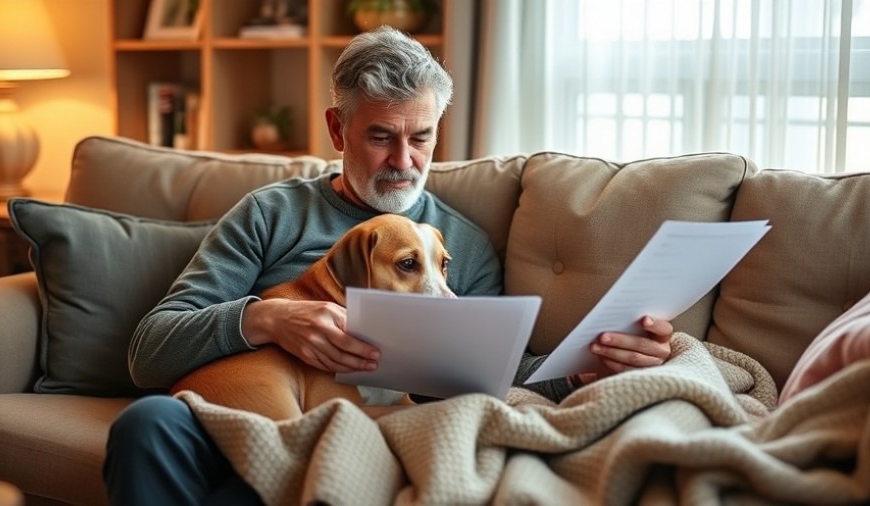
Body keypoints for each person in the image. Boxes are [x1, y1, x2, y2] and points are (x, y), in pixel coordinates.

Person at [102, 26, 672, 505]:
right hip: (237, 411)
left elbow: (492, 370)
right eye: (381, 137)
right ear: (337, 129)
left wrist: (580, 370)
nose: (404, 161)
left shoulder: (461, 245)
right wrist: (266, 319)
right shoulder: (269, 214)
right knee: (146, 425)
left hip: (357, 430)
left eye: (421, 137)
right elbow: (150, 351)